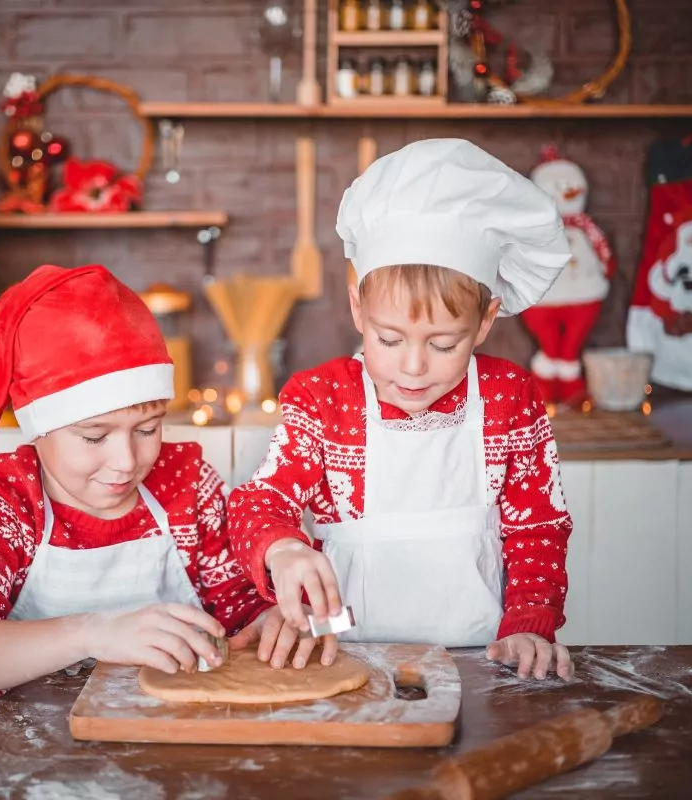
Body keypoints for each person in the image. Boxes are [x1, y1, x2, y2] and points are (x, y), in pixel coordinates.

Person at [228, 139, 577, 680]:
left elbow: (539, 528)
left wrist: (530, 622)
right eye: (389, 339)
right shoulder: (322, 399)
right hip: (339, 665)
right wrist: (281, 551)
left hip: (482, 664)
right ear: (357, 309)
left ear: (485, 322)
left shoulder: (511, 399)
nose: (414, 367)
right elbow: (261, 501)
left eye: (443, 344)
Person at [0, 264, 282, 700]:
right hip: (31, 747)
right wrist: (92, 633)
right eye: (94, 436)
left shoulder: (186, 485)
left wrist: (266, 620)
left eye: (147, 429)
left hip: (165, 733)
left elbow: (238, 609)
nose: (127, 461)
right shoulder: (8, 500)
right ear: (40, 427)